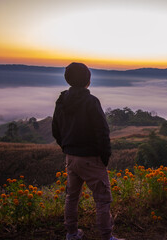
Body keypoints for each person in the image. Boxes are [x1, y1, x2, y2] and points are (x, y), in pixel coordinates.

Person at [52, 63, 123, 240]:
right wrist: (104, 157)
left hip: (71, 157)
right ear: (88, 81)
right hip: (91, 158)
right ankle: (107, 236)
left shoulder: (61, 101)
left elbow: (56, 129)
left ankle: (71, 233)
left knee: (72, 196)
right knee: (102, 199)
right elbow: (102, 131)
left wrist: (67, 148)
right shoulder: (91, 101)